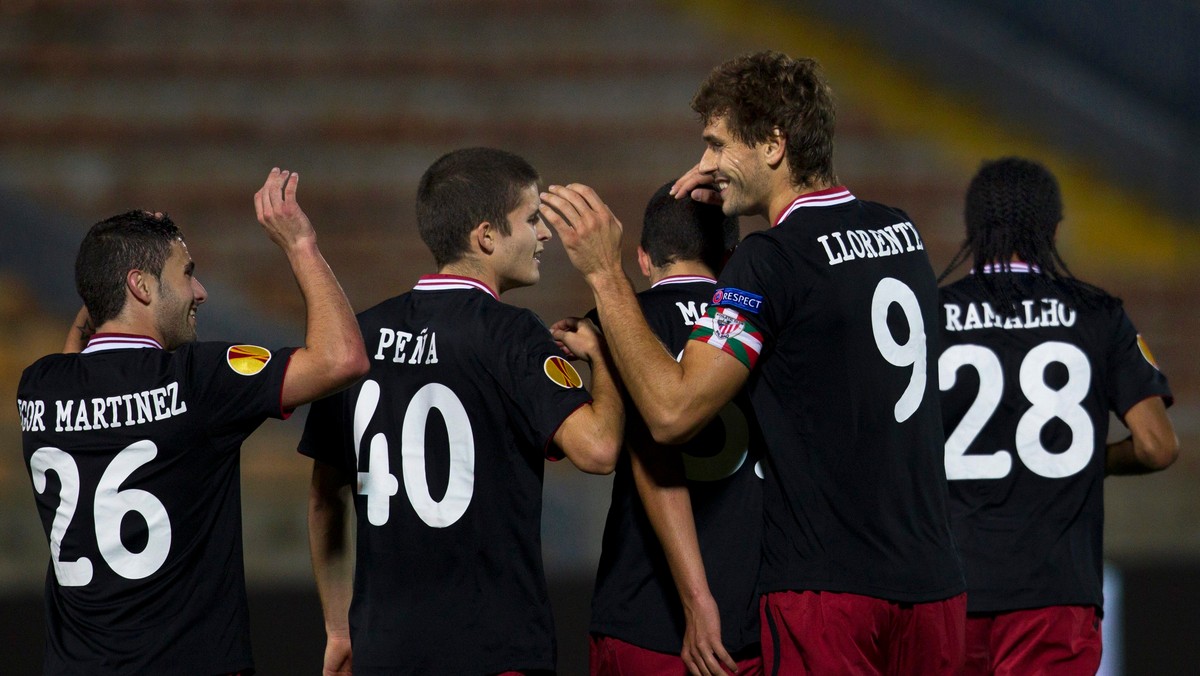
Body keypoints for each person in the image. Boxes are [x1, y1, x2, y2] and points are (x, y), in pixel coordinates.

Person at [540, 50, 966, 674]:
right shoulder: (902, 233)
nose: (706, 163)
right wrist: (732, 180)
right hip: (934, 585)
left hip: (829, 592)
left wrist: (606, 274)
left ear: (773, 143)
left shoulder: (769, 261)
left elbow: (672, 412)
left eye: (715, 145)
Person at [17, 168, 369, 675]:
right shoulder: (198, 379)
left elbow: (85, 340)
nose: (200, 292)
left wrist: (121, 264)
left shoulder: (40, 385)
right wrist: (301, 245)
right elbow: (344, 359)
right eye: (187, 273)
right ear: (140, 287)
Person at [301, 147, 624, 676]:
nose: (544, 235)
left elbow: (324, 497)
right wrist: (604, 359)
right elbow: (599, 448)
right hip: (492, 648)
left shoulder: (356, 336)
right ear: (486, 236)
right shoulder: (510, 333)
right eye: (532, 219)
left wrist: (339, 628)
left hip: (385, 648)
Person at [936, 157, 1179, 675]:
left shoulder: (930, 316)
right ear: (1053, 229)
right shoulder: (1097, 314)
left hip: (947, 594)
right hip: (1054, 593)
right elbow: (1158, 446)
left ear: (972, 230)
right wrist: (1095, 459)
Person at [587, 182, 763, 676]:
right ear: (729, 257)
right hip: (745, 619)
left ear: (644, 259)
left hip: (639, 613)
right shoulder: (760, 320)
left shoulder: (616, 325)